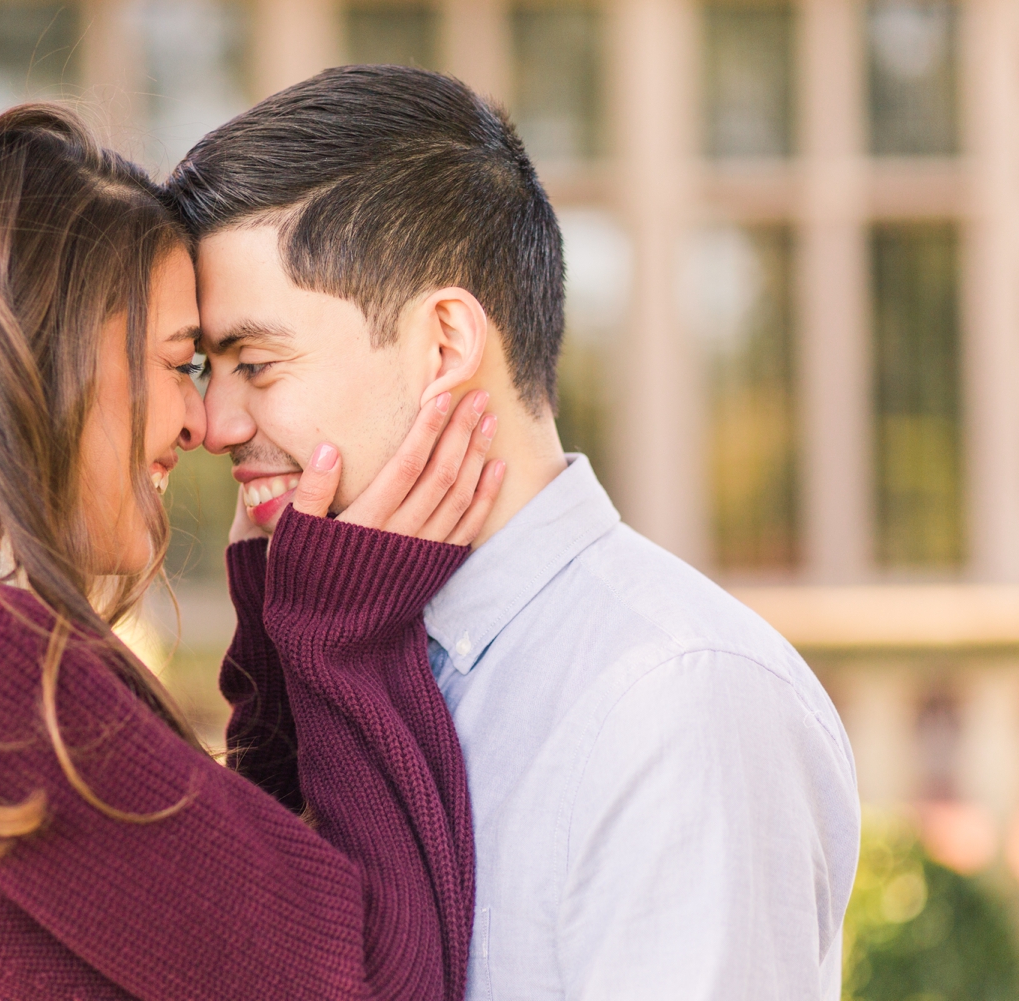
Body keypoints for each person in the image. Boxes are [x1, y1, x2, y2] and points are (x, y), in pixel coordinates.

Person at [0, 105, 506, 1000]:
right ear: (44, 359)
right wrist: (343, 632)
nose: (201, 423)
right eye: (180, 361)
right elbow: (381, 978)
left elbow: (238, 933)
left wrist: (273, 621)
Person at [158, 66, 862, 999]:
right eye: (209, 369)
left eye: (256, 361)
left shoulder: (674, 700)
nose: (215, 425)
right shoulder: (345, 660)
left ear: (446, 344)